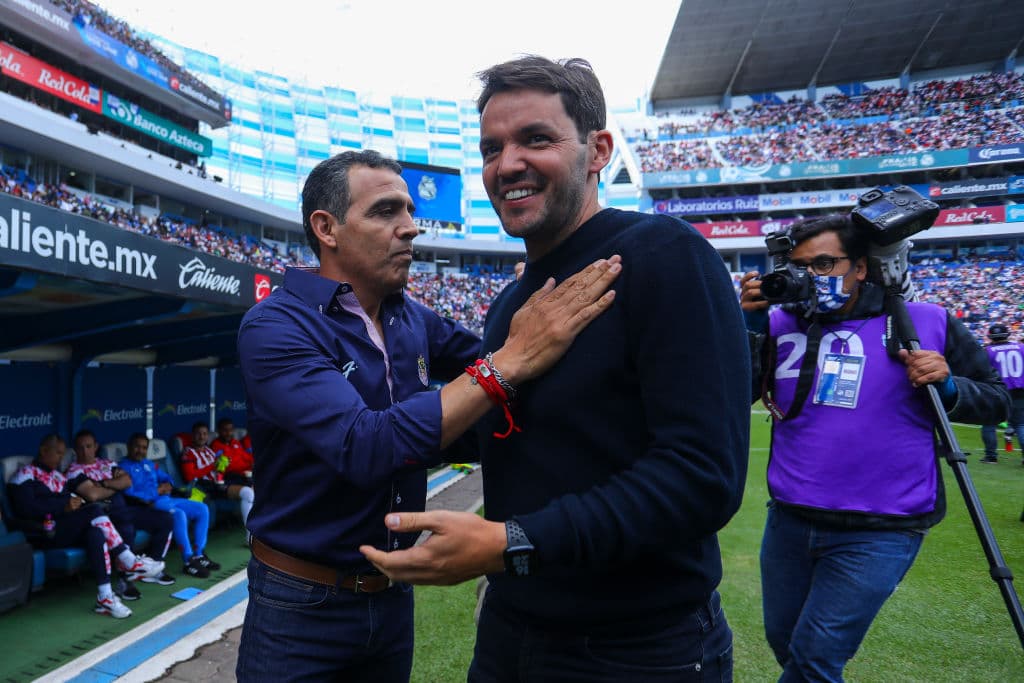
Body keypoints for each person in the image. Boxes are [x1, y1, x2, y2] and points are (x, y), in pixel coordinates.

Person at [361, 56, 749, 682]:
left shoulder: (666, 257)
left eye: (535, 139)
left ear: (597, 150)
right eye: (492, 148)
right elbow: (513, 435)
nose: (506, 164)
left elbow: (702, 476)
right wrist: (344, 426)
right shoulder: (513, 304)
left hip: (638, 649)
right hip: (512, 627)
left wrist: (509, 541)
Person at [235, 147, 621, 682]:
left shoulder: (409, 317)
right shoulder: (274, 326)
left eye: (410, 211)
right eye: (386, 211)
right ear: (327, 228)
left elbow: (506, 372)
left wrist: (534, 294)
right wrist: (505, 363)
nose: (411, 228)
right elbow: (364, 446)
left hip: (392, 596)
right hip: (299, 603)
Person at [737, 214, 1009, 681]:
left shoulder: (925, 321)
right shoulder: (780, 323)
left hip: (882, 527)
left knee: (815, 658)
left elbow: (996, 400)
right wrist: (749, 323)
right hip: (789, 519)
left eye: (825, 263)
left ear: (861, 266)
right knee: (787, 645)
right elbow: (733, 391)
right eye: (802, 266)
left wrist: (945, 387)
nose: (811, 277)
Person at [7, 434, 164, 618]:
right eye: (57, 453)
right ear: (43, 450)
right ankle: (129, 560)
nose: (60, 457)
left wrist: (72, 505)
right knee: (94, 510)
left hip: (64, 527)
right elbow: (25, 509)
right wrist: (63, 506)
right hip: (43, 532)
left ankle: (105, 597)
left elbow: (71, 501)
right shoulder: (24, 475)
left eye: (61, 453)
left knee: (96, 533)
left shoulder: (58, 476)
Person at [68, 429, 177, 589]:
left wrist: (104, 484)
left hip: (122, 510)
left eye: (89, 446)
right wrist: (114, 486)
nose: (85, 451)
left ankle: (151, 567)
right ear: (75, 450)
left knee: (165, 519)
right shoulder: (74, 470)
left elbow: (126, 482)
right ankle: (125, 580)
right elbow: (92, 494)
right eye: (80, 447)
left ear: (96, 446)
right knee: (127, 528)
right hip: (102, 516)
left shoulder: (107, 464)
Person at [118, 432, 219, 579]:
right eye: (136, 447)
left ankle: (199, 555)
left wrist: (168, 485)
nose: (140, 450)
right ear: (129, 447)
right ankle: (188, 560)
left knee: (202, 509)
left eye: (144, 447)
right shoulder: (123, 467)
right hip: (151, 504)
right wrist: (156, 491)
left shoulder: (149, 464)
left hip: (166, 498)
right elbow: (130, 494)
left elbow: (166, 477)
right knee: (179, 514)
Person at [181, 421, 254, 525]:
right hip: (205, 487)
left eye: (205, 434)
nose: (202, 437)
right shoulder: (188, 452)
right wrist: (213, 465)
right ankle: (250, 533)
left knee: (249, 490)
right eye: (198, 434)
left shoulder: (209, 451)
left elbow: (218, 471)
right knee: (247, 493)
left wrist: (222, 465)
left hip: (219, 483)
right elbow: (190, 476)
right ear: (193, 436)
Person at [979, 323, 1024, 464]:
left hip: (996, 390)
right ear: (1007, 335)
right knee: (1020, 425)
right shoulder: (1021, 348)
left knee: (989, 423)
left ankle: (991, 456)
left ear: (990, 336)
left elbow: (981, 371)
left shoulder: (987, 351)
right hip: (1019, 390)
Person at [209, 418, 254, 486]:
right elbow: (220, 467)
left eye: (231, 430)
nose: (228, 433)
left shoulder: (235, 442)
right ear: (218, 431)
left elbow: (245, 456)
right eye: (225, 430)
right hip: (232, 476)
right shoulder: (215, 446)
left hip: (247, 472)